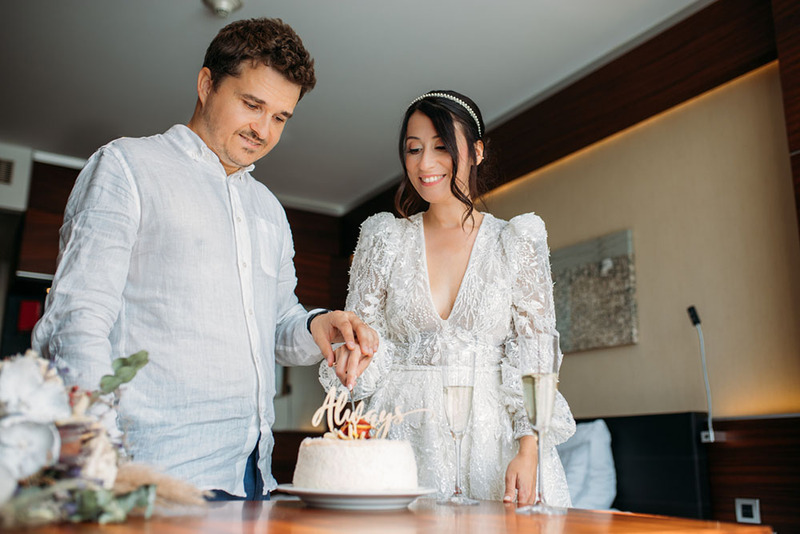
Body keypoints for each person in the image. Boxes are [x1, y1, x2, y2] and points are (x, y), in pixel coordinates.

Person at [32, 18, 377, 501]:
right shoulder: (128, 168)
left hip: (253, 479)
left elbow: (277, 324)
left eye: (280, 117)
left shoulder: (269, 210)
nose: (263, 130)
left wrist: (318, 326)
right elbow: (76, 320)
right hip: (153, 477)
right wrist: (96, 455)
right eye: (252, 105)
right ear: (206, 84)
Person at [320, 90, 575, 505]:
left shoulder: (515, 241)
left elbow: (536, 356)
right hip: (400, 433)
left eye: (441, 147)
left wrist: (529, 448)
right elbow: (363, 348)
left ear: (475, 152)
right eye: (413, 149)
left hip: (492, 440)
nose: (425, 164)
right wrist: (353, 357)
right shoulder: (383, 239)